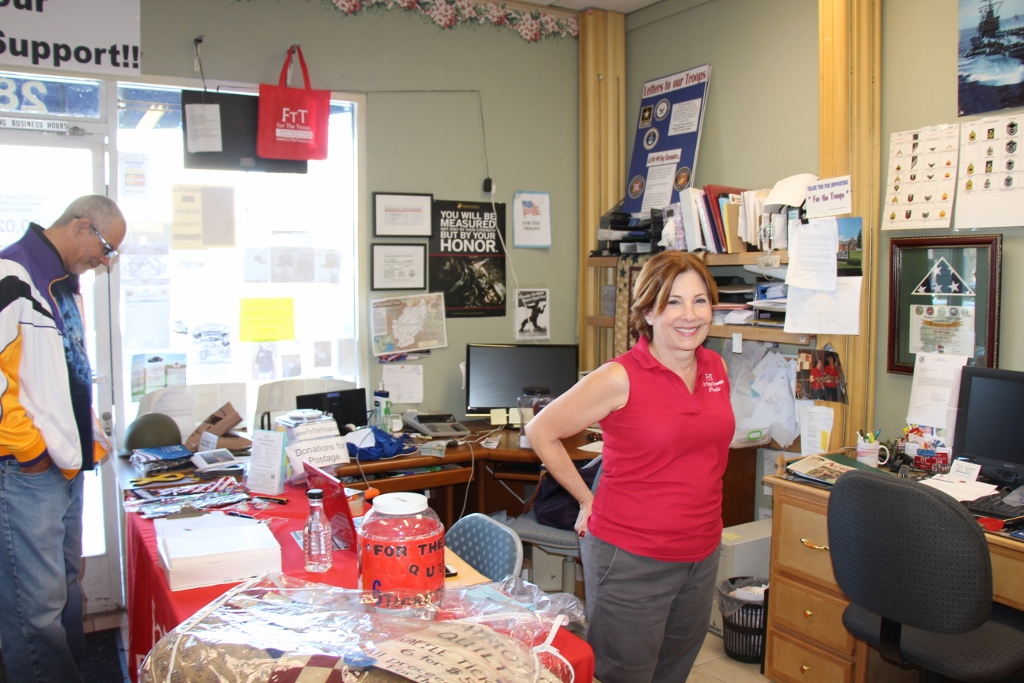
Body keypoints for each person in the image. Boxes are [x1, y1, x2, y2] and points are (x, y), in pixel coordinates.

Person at [526, 250, 734, 683]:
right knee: (626, 674)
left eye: (700, 300)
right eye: (673, 301)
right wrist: (586, 498)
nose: (689, 315)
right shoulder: (620, 376)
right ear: (648, 311)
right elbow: (542, 430)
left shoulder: (715, 367)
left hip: (701, 551)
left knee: (674, 670)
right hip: (631, 555)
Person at [0, 195, 126, 682]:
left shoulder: (63, 285)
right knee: (36, 611)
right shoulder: (13, 274)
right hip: (28, 472)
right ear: (79, 226)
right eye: (104, 248)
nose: (105, 261)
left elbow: (66, 373)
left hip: (66, 466)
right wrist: (30, 452)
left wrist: (87, 437)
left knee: (67, 593)